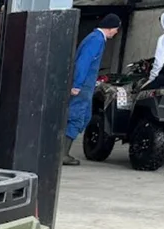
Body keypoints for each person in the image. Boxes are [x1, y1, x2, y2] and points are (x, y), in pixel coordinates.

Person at [64, 14, 122, 166]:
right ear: (110, 28)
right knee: (77, 117)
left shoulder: (95, 38)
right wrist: (77, 84)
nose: (116, 32)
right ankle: (62, 154)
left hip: (86, 85)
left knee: (84, 117)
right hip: (83, 86)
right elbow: (83, 62)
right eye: (116, 28)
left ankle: (62, 151)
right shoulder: (96, 40)